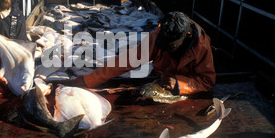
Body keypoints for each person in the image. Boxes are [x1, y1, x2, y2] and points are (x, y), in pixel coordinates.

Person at [61, 11, 216, 96]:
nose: (166, 48)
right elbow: (125, 61)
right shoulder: (156, 38)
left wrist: (180, 84)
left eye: (171, 46)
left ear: (187, 34)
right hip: (161, 81)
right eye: (164, 43)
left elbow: (207, 81)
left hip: (190, 91)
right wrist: (88, 80)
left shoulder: (202, 47)